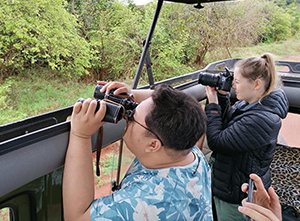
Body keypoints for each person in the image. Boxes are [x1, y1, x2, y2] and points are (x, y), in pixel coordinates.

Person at [63, 82, 213, 221]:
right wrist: (132, 94)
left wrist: (81, 135)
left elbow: (77, 217)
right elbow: (186, 108)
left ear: (153, 145)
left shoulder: (147, 201)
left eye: (132, 117)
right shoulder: (186, 148)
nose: (127, 118)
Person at [205, 53, 289, 221]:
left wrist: (213, 105)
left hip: (237, 194)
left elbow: (218, 141)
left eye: (236, 81)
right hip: (230, 180)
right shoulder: (251, 103)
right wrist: (221, 96)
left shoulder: (262, 119)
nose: (233, 86)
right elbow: (228, 122)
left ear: (256, 84)